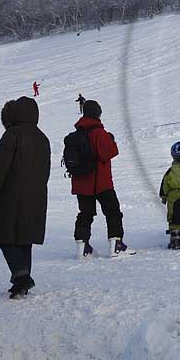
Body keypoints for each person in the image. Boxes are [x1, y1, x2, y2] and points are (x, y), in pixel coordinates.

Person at [0, 96, 50, 299]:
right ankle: (22, 281)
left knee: (4, 235)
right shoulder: (42, 137)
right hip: (36, 195)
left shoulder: (12, 135)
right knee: (24, 238)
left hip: (10, 194)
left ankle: (21, 278)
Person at [70, 100, 128, 257]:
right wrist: (111, 139)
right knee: (113, 211)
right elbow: (109, 152)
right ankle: (116, 245)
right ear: (97, 113)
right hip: (100, 182)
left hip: (81, 183)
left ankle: (83, 247)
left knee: (85, 213)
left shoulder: (77, 133)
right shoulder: (98, 132)